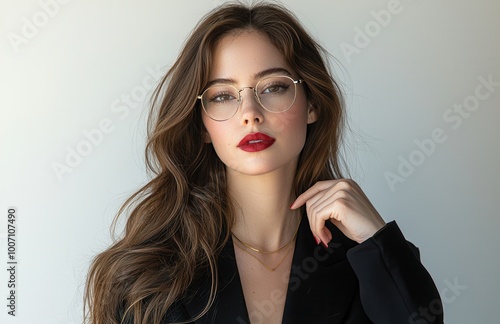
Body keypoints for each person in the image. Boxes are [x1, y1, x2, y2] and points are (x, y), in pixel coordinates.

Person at [84, 2, 443, 323]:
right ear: (203, 124)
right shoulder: (145, 275)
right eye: (223, 96)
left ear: (312, 104)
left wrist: (374, 239)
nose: (250, 114)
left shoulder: (370, 261)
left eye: (273, 87)